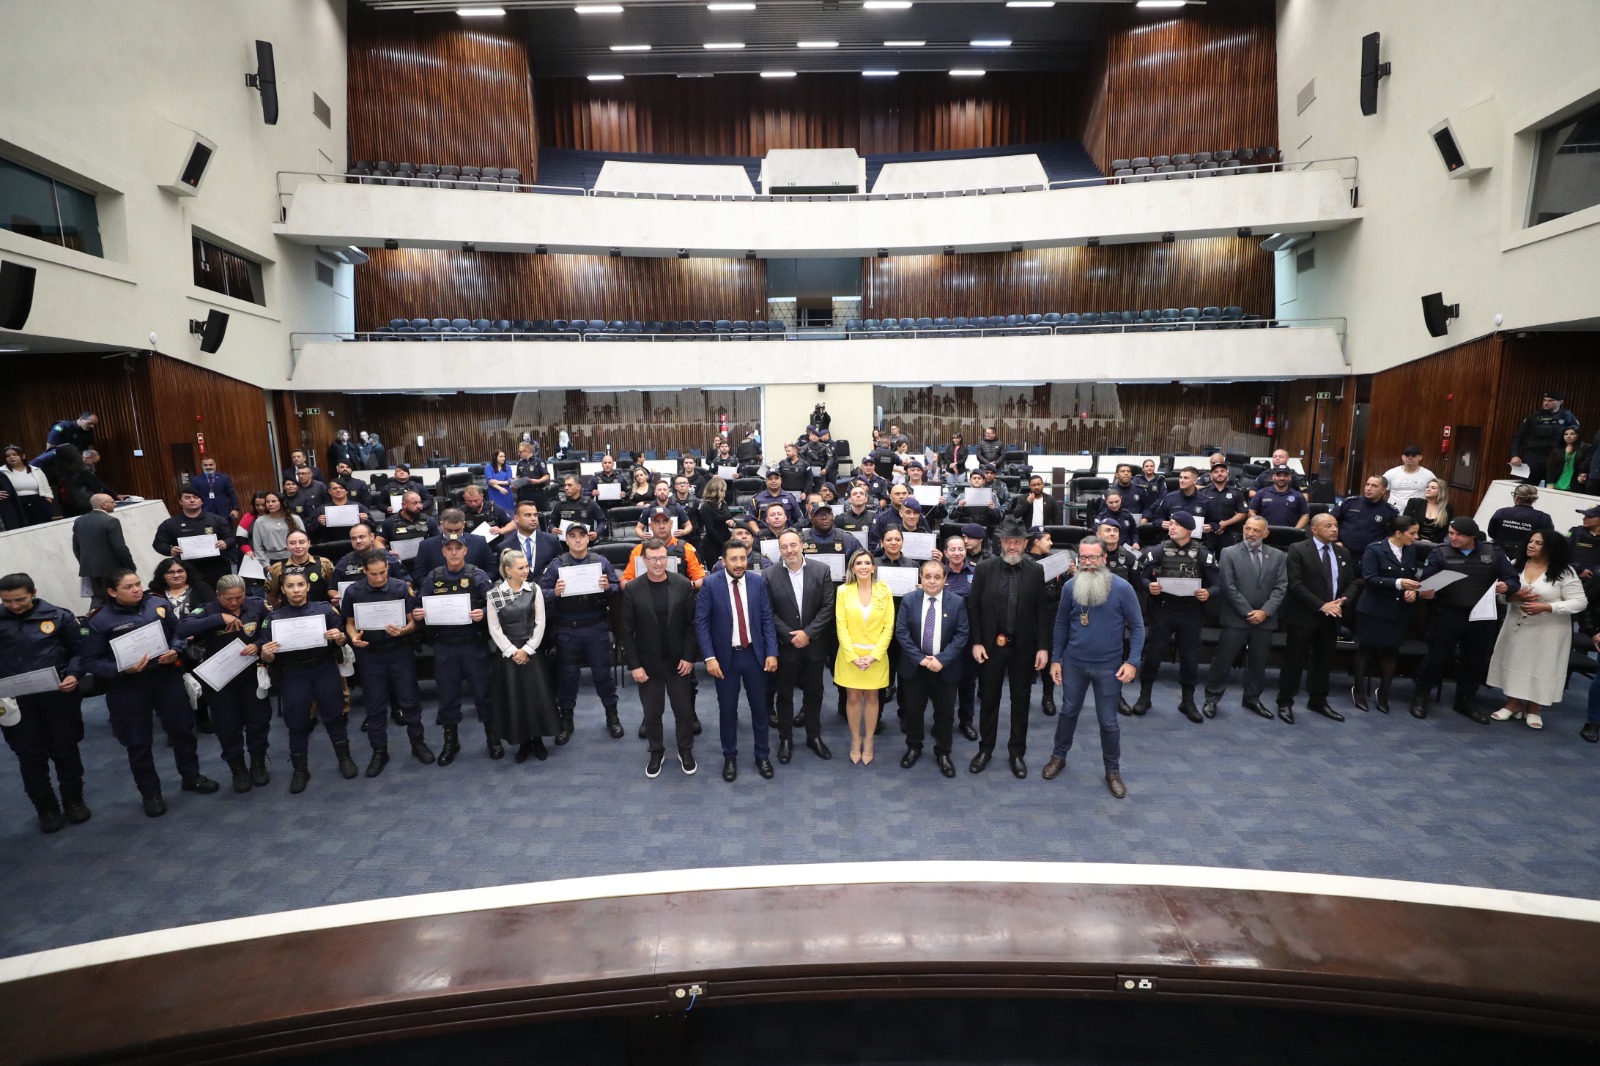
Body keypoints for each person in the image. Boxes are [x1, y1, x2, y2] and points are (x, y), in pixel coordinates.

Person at [81, 568, 219, 815]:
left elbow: (178, 632)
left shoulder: (157, 603)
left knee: (182, 731)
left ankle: (191, 776)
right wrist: (123, 669)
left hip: (165, 678)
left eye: (137, 584)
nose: (136, 590)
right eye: (128, 587)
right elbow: (90, 661)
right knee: (138, 743)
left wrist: (175, 650)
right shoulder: (99, 620)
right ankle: (151, 794)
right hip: (128, 687)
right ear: (112, 592)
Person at [1044, 537, 1144, 798]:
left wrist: (1132, 661)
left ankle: (1112, 771)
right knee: (1067, 712)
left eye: (1093, 558)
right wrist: (1056, 659)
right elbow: (1061, 625)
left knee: (1108, 722)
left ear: (1104, 559)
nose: (1087, 563)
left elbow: (1137, 628)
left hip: (1109, 667)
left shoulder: (1123, 588)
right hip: (1074, 663)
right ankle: (1058, 756)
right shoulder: (1069, 587)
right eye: (1083, 558)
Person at [0, 572, 90, 832]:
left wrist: (74, 674)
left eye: (20, 599)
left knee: (65, 750)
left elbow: (79, 651)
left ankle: (74, 801)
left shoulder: (59, 616)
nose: (14, 606)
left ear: (33, 593)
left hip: (58, 696)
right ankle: (46, 808)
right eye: (7, 601)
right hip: (14, 701)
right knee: (30, 756)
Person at [966, 517, 1051, 778]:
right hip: (991, 647)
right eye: (1007, 541)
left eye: (1017, 541)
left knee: (1021, 701)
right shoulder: (985, 569)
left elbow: (1042, 612)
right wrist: (977, 642)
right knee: (989, 699)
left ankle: (1017, 752)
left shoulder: (1036, 571)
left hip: (1023, 648)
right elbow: (974, 607)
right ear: (1000, 542)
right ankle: (986, 748)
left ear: (1025, 543)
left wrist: (1043, 647)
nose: (1012, 546)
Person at [1411, 517, 1520, 722]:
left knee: (1475, 660)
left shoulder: (1493, 553)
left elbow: (1513, 579)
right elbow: (1426, 582)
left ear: (1472, 536)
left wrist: (1508, 586)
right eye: (1451, 533)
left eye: (1458, 534)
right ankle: (1421, 695)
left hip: (1482, 616)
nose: (1453, 537)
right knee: (1436, 657)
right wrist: (1427, 593)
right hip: (1449, 613)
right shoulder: (1440, 552)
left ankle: (1465, 700)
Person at [258, 570, 355, 793]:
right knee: (297, 721)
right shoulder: (274, 618)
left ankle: (345, 758)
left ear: (308, 587)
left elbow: (341, 639)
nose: (296, 590)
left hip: (323, 668)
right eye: (290, 586)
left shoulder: (323, 610)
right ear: (282, 589)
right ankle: (300, 769)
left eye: (300, 585)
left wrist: (339, 638)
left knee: (334, 715)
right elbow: (267, 657)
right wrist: (267, 654)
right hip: (293, 672)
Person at [175, 575, 273, 791]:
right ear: (218, 595)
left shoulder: (255, 605)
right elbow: (182, 629)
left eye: (239, 597)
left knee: (258, 721)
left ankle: (258, 763)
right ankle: (237, 768)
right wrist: (220, 618)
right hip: (220, 680)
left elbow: (272, 628)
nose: (235, 602)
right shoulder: (206, 610)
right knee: (227, 725)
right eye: (228, 599)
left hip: (252, 675)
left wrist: (258, 644)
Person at [341, 551, 434, 775]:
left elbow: (413, 622)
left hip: (399, 650)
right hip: (370, 654)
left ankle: (417, 742)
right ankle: (379, 751)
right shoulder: (354, 592)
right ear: (364, 572)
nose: (380, 577)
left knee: (410, 700)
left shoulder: (400, 587)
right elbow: (350, 623)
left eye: (383, 572)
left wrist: (404, 630)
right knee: (374, 705)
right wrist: (353, 637)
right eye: (374, 574)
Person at [694, 540, 779, 783]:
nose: (739, 564)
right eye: (734, 559)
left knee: (760, 709)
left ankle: (762, 755)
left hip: (755, 655)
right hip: (724, 658)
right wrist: (709, 657)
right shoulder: (710, 584)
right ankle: (729, 756)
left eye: (743, 559)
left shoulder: (758, 581)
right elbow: (701, 623)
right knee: (728, 711)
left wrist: (772, 652)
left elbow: (766, 620)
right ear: (723, 561)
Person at [1485, 531, 1587, 729]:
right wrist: (1514, 597)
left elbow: (1580, 602)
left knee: (1542, 664)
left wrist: (1548, 607)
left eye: (1538, 543)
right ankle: (1513, 703)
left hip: (1549, 628)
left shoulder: (1564, 572)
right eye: (1530, 541)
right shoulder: (1516, 565)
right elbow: (1501, 596)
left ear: (1551, 548)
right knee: (1514, 659)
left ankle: (1534, 707)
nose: (1531, 545)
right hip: (1517, 622)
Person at [412, 532, 495, 765]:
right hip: (445, 647)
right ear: (443, 552)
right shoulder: (433, 577)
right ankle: (451, 741)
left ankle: (492, 737)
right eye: (450, 549)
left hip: (473, 645)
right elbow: (419, 606)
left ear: (465, 550)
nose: (454, 552)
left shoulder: (477, 575)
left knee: (483, 693)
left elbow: (496, 605)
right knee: (447, 697)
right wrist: (419, 613)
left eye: (458, 548)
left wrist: (485, 613)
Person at [620, 539, 701, 778]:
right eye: (653, 558)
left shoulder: (684, 585)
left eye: (662, 558)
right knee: (653, 713)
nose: (658, 563)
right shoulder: (633, 588)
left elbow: (691, 626)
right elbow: (627, 631)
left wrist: (689, 658)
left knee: (684, 712)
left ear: (669, 559)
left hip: (678, 663)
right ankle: (656, 751)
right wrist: (634, 665)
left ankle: (685, 750)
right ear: (643, 561)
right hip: (648, 665)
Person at [539, 522, 622, 743]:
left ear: (588, 539)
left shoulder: (600, 561)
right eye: (573, 536)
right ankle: (566, 720)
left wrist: (608, 587)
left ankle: (612, 715)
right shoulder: (557, 564)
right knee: (568, 677)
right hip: (568, 629)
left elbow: (617, 588)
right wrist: (554, 592)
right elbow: (541, 592)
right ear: (566, 540)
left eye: (581, 536)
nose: (577, 540)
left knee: (603, 675)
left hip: (596, 626)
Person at [1132, 511, 1218, 721]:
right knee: (1152, 655)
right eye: (1171, 524)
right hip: (1163, 609)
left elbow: (1219, 584)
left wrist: (1208, 593)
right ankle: (1145, 697)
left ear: (1189, 530)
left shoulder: (1203, 554)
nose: (1172, 527)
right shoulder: (1157, 550)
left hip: (1191, 612)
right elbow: (1140, 578)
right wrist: (1148, 586)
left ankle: (1187, 701)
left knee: (1190, 658)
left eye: (1177, 525)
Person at [1202, 516, 1288, 721]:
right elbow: (1228, 587)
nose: (1250, 533)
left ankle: (1252, 698)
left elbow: (1281, 587)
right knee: (1223, 661)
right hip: (1236, 617)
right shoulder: (1229, 553)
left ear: (1266, 534)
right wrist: (1248, 612)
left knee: (1258, 663)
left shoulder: (1278, 556)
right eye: (1247, 529)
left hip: (1265, 620)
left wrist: (1264, 611)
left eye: (1256, 530)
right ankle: (1212, 699)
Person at [1276, 513, 1355, 723]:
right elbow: (1295, 583)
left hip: (1332, 617)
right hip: (1304, 615)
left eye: (1336, 525)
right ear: (1314, 529)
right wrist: (1321, 605)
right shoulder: (1298, 549)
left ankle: (1318, 700)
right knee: (1294, 660)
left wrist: (1342, 601)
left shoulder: (1343, 552)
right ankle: (1285, 702)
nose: (1334, 529)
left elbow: (1353, 582)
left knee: (1324, 661)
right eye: (1328, 526)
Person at [894, 560, 969, 777]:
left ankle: (943, 752)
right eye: (928, 576)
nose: (932, 581)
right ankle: (914, 747)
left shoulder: (957, 602)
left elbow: (962, 634)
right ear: (921, 578)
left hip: (945, 669)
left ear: (945, 579)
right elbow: (902, 632)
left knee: (945, 714)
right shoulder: (909, 600)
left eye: (937, 577)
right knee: (913, 711)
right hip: (915, 668)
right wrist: (921, 659)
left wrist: (942, 660)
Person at [767, 530, 836, 764]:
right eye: (784, 547)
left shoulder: (821, 570)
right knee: (784, 695)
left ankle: (813, 736)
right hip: (786, 647)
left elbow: (828, 607)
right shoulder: (768, 575)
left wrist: (808, 633)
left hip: (814, 645)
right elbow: (768, 612)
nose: (790, 550)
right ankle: (785, 739)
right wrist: (790, 635)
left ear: (802, 545)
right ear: (779, 550)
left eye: (793, 545)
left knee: (814, 693)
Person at [486, 548, 558, 765]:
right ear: (508, 570)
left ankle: (538, 740)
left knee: (535, 697)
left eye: (526, 566)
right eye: (521, 568)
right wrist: (511, 651)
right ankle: (524, 742)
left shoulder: (534, 589)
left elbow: (540, 623)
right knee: (515, 699)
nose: (526, 570)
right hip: (508, 655)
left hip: (531, 652)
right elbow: (494, 628)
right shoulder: (494, 594)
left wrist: (527, 649)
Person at [1353, 515, 1425, 713]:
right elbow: (1369, 579)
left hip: (1398, 609)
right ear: (1398, 533)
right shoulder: (1374, 549)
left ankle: (1383, 693)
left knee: (1392, 652)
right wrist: (1399, 583)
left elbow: (1410, 577)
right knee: (1365, 650)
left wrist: (1412, 591)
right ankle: (1358, 690)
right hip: (1374, 608)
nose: (1416, 537)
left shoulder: (1410, 550)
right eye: (1412, 533)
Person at [832, 548, 893, 765]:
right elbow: (841, 625)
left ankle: (869, 741)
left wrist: (875, 655)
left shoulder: (884, 591)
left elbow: (888, 627)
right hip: (851, 656)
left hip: (876, 656)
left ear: (874, 567)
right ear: (852, 568)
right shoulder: (842, 591)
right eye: (859, 563)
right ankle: (855, 739)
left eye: (867, 563)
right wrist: (852, 655)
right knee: (853, 698)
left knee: (874, 698)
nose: (864, 567)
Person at [153, 486, 234, 590]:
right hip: (186, 570)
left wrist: (225, 543)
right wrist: (170, 550)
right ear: (180, 502)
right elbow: (158, 543)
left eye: (195, 497)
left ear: (202, 501)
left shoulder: (217, 520)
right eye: (187, 497)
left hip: (216, 567)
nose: (192, 500)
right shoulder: (170, 524)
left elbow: (231, 537)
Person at [72, 493, 134, 610]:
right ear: (103, 505)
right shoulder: (111, 521)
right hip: (112, 571)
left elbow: (76, 547)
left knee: (97, 599)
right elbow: (120, 547)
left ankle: (92, 623)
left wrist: (86, 565)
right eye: (112, 502)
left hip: (91, 571)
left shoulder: (79, 521)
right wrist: (130, 567)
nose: (115, 504)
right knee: (115, 599)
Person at [1509, 389, 1579, 485]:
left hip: (1556, 458)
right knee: (1527, 487)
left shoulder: (1568, 417)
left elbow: (1577, 437)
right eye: (1545, 400)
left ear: (1560, 402)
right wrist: (1515, 455)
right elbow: (1518, 437)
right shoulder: (1534, 417)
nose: (1546, 403)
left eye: (1550, 401)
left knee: (1552, 488)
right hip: (1533, 458)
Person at [1487, 483, 1554, 563]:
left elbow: (1491, 533)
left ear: (1517, 498)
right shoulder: (1543, 517)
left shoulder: (1501, 512)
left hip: (1499, 556)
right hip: (1527, 560)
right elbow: (1549, 539)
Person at [0, 444, 55, 528]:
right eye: (7, 456)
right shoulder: (2, 472)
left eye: (14, 454)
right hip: (16, 504)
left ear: (23, 456)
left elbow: (46, 488)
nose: (11, 457)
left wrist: (48, 501)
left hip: (38, 502)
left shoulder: (36, 470)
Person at [50, 445, 114, 517]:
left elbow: (97, 487)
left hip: (84, 505)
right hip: (68, 505)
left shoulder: (83, 469)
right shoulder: (61, 470)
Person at [250, 491, 305, 566]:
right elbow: (257, 546)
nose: (270, 504)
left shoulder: (295, 519)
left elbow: (303, 541)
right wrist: (265, 564)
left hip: (294, 558)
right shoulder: (260, 522)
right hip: (271, 561)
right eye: (267, 502)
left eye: (273, 501)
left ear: (281, 502)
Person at [1383, 446, 1438, 510]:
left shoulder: (1428, 475)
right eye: (1407, 455)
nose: (1410, 457)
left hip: (1417, 513)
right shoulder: (1391, 473)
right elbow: (1383, 492)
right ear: (1402, 457)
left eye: (1413, 455)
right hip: (1393, 512)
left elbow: (1437, 492)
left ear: (1420, 457)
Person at [188, 456, 241, 522]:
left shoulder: (224, 478)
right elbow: (193, 497)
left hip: (224, 513)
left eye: (210, 465)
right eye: (205, 465)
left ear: (215, 465)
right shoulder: (196, 480)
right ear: (202, 466)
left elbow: (232, 494)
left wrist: (235, 509)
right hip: (205, 513)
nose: (208, 467)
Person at [1404, 478, 1453, 545]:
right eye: (1427, 487)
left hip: (1434, 544)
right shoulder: (1414, 503)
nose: (1428, 489)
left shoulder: (1447, 508)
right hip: (1413, 541)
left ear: (1441, 492)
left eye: (1433, 488)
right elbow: (1406, 524)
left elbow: (1444, 530)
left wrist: (1431, 543)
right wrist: (1420, 539)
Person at [1545, 426, 1591, 492]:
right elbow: (1550, 468)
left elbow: (1587, 464)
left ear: (1578, 435)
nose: (1568, 436)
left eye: (1572, 434)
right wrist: (1550, 483)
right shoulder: (1557, 450)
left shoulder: (1585, 448)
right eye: (1566, 434)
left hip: (1576, 484)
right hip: (1557, 482)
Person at [484, 448, 516, 515]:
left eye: (504, 456)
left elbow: (509, 481)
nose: (503, 458)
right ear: (495, 457)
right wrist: (500, 488)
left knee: (509, 513)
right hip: (494, 492)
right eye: (501, 456)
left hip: (506, 492)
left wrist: (497, 482)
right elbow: (490, 481)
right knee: (496, 512)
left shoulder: (508, 467)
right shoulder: (488, 467)